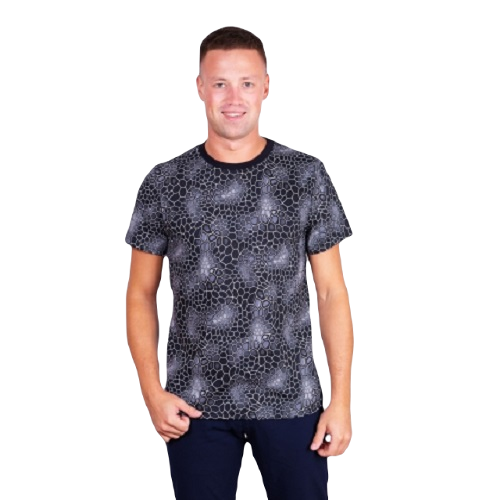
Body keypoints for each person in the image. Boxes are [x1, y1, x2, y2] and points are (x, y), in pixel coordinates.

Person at [125, 26, 354, 500]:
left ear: (266, 87)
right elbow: (141, 293)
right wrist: (151, 391)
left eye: (247, 83)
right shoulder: (165, 182)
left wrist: (342, 400)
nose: (234, 98)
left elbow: (332, 293)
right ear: (200, 88)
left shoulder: (305, 176)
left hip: (292, 400)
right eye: (221, 83)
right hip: (194, 405)